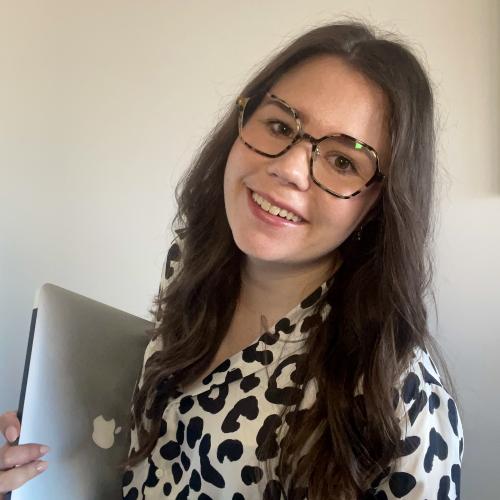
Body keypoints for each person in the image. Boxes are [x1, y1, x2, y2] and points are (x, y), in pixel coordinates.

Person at [0, 21, 463, 500]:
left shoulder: (405, 404)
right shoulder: (193, 263)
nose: (288, 168)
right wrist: (44, 466)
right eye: (280, 126)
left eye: (343, 161)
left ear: (380, 202)